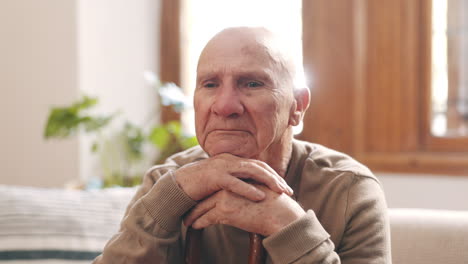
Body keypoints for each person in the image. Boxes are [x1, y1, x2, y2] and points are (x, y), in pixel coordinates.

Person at [93, 27, 391, 263]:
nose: (224, 106)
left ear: (297, 106)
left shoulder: (348, 191)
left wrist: (289, 227)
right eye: (210, 84)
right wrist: (170, 199)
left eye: (251, 84)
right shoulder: (167, 183)